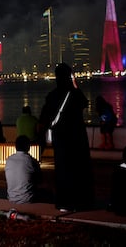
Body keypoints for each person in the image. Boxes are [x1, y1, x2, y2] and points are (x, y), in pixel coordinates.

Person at [39, 62, 95, 211]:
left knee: (62, 171)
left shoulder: (51, 96)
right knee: (78, 170)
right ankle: (79, 202)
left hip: (60, 139)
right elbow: (85, 103)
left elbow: (44, 117)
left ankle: (63, 202)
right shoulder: (75, 94)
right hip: (76, 138)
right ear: (69, 77)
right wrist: (75, 84)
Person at [4, 134, 46, 204]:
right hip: (28, 199)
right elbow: (40, 180)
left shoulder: (9, 160)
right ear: (28, 147)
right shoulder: (31, 161)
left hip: (11, 197)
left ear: (16, 146)